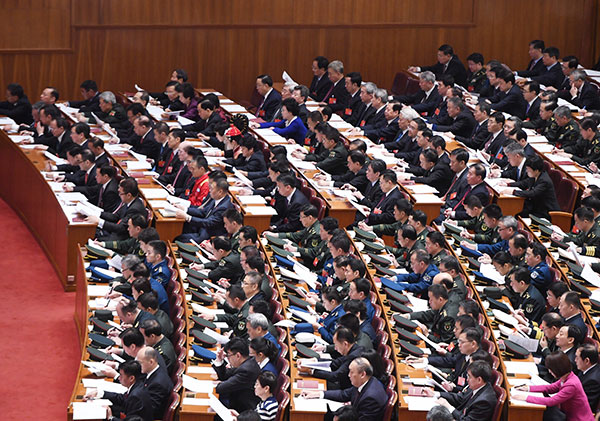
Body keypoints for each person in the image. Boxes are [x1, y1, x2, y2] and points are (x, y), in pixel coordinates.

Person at [513, 352, 594, 420]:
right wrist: (528, 388)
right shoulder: (567, 377)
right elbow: (551, 388)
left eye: (550, 369)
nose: (549, 371)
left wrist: (526, 398)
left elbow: (552, 401)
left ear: (557, 369)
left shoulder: (571, 384)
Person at [302, 357, 388, 420]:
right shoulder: (367, 381)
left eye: (351, 372)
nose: (348, 375)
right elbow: (344, 394)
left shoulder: (371, 397)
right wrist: (319, 394)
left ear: (362, 374)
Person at [85, 360, 153, 421]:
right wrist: (100, 393)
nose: (119, 378)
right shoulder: (138, 385)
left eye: (121, 375)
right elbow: (122, 399)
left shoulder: (135, 396)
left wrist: (111, 418)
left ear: (131, 378)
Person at [430, 360, 497, 420]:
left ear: (479, 379)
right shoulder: (478, 385)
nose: (467, 380)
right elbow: (460, 398)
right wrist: (436, 393)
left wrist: (449, 407)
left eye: (469, 376)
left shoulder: (484, 401)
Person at [502, 154, 560, 219]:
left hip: (545, 212)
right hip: (535, 207)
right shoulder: (535, 175)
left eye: (528, 169)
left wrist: (513, 192)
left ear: (536, 170)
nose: (526, 171)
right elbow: (524, 183)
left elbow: (532, 193)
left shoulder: (544, 181)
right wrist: (509, 184)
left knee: (518, 214)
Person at [176, 178, 233, 242]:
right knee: (182, 227)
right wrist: (185, 209)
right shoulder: (217, 198)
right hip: (203, 228)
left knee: (179, 239)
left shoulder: (224, 208)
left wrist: (187, 217)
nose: (209, 190)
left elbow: (208, 222)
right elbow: (203, 212)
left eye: (211, 189)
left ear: (220, 192)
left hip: (209, 234)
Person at [213, 337, 261, 413]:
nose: (228, 358)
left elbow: (221, 388)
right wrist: (219, 360)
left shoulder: (246, 370)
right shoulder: (247, 362)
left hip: (242, 410)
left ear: (238, 356)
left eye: (228, 355)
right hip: (236, 401)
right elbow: (224, 376)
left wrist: (220, 383)